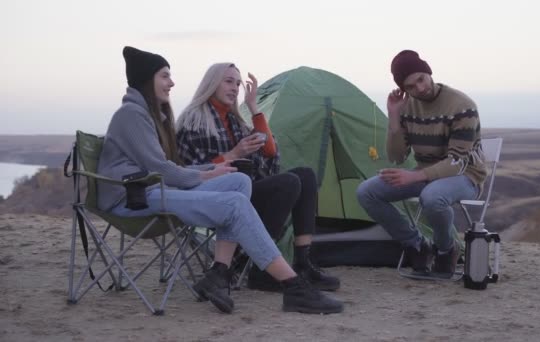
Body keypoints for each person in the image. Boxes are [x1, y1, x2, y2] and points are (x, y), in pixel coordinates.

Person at [96, 46, 343, 314]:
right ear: (147, 79)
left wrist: (218, 164)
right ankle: (293, 286)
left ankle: (219, 273)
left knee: (239, 182)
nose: (172, 82)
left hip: (154, 188)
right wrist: (208, 171)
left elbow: (171, 167)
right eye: (164, 76)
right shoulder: (134, 115)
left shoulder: (151, 115)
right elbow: (162, 168)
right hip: (133, 197)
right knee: (236, 202)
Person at [175, 63, 341, 292]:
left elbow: (270, 152)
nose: (234, 88)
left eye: (237, 83)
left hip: (245, 189)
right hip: (213, 197)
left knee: (305, 175)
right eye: (228, 81)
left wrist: (254, 108)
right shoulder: (194, 120)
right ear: (212, 83)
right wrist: (234, 154)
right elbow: (190, 172)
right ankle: (260, 269)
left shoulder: (233, 120)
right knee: (288, 183)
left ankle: (303, 262)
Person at [356, 50, 487, 278]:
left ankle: (447, 249)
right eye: (411, 86)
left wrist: (415, 177)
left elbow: (458, 161)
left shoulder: (462, 105)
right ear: (404, 89)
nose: (420, 88)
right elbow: (396, 157)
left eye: (421, 79)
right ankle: (417, 245)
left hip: (465, 177)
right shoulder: (408, 107)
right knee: (367, 192)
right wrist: (394, 118)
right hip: (425, 175)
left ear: (428, 72)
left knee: (432, 197)